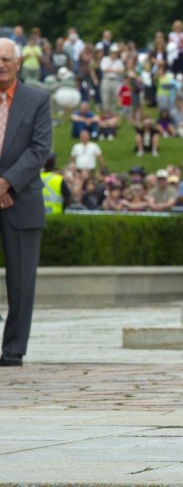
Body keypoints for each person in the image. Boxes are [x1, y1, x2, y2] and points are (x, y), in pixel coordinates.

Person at [0, 38, 53, 366]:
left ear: (19, 63)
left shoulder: (37, 99)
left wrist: (6, 183)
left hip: (21, 199)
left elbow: (40, 149)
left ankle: (13, 349)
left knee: (21, 280)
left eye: (6, 59)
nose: (1, 64)